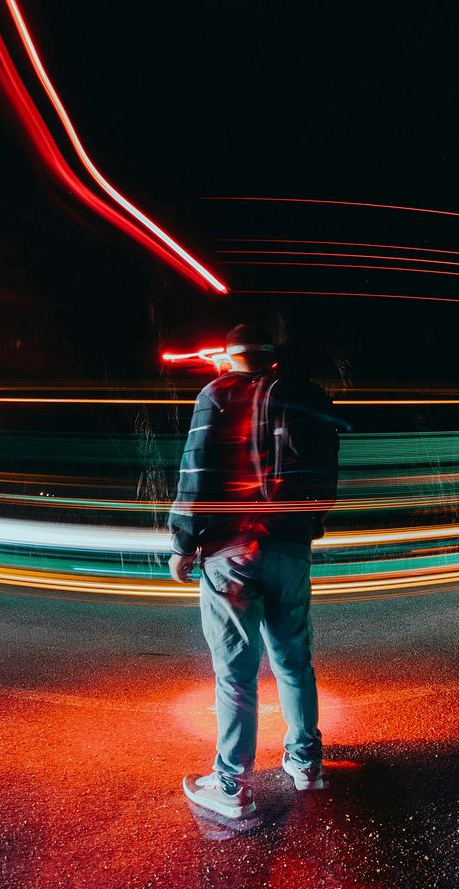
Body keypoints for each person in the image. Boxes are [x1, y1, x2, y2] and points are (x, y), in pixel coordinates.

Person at [168, 323, 340, 818]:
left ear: (228, 356)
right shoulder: (305, 396)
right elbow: (328, 473)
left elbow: (196, 468)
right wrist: (309, 526)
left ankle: (231, 786)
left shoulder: (217, 394)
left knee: (236, 674)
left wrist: (182, 541)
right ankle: (306, 765)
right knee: (293, 661)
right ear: (270, 358)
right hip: (290, 547)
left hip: (232, 551)